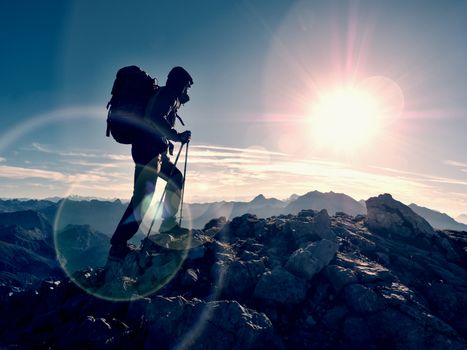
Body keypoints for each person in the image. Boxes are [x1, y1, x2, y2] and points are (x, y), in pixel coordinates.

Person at [109, 66, 193, 259]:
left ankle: (168, 225)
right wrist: (177, 136)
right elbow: (154, 117)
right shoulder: (168, 95)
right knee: (143, 198)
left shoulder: (165, 95)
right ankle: (118, 244)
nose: (187, 91)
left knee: (174, 178)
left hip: (152, 150)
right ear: (180, 83)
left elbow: (155, 122)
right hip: (148, 150)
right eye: (186, 86)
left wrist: (168, 143)